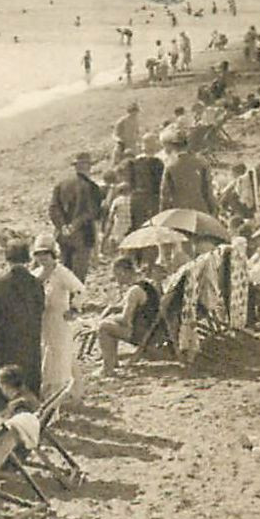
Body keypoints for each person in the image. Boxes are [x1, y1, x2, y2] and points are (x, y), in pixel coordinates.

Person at [0, 240, 46, 409]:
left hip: (5, 338)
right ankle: (30, 405)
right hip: (30, 337)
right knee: (29, 372)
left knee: (4, 374)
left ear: (7, 259)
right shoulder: (35, 282)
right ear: (27, 259)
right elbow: (40, 308)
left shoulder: (0, 282)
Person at [31, 232, 85, 398]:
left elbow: (79, 290)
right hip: (44, 319)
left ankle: (70, 392)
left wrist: (74, 309)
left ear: (53, 254)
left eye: (46, 254)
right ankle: (50, 391)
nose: (43, 258)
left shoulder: (62, 273)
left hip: (60, 318)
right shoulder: (36, 273)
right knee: (47, 354)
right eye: (39, 254)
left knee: (62, 353)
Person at [95, 256, 162, 375]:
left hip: (142, 334)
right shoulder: (146, 284)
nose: (116, 280)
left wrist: (110, 318)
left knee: (104, 327)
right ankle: (113, 361)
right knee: (110, 324)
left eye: (117, 275)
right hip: (153, 330)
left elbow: (126, 320)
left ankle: (107, 368)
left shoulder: (134, 291)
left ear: (124, 272)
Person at [48, 151, 104, 279]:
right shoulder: (91, 187)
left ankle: (65, 299)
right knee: (78, 276)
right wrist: (74, 226)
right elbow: (91, 214)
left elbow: (53, 208)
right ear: (88, 166)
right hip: (83, 235)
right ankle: (75, 298)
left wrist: (63, 226)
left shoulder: (61, 185)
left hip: (63, 235)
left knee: (64, 271)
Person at [159, 130, 215, 215]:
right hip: (200, 209)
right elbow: (208, 190)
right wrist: (213, 209)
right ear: (188, 145)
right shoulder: (201, 163)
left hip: (179, 211)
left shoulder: (170, 165)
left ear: (174, 147)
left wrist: (162, 213)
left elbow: (165, 194)